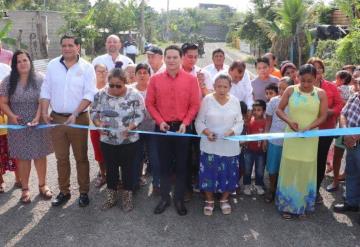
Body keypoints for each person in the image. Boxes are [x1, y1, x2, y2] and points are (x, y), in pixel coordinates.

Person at [40, 34, 97, 207]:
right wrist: (44, 111)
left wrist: (75, 113)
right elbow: (46, 89)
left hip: (78, 118)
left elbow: (89, 94)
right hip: (56, 118)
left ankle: (84, 192)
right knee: (61, 158)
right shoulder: (52, 65)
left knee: (81, 158)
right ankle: (64, 191)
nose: (67, 48)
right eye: (64, 45)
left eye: (71, 45)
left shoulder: (87, 67)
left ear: (78, 47)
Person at [146, 45, 200, 216]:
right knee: (164, 165)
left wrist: (186, 121)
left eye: (174, 57)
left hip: (183, 129)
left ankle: (178, 198)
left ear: (181, 58)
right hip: (162, 128)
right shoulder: (155, 79)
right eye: (168, 57)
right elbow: (150, 103)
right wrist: (160, 121)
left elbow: (195, 104)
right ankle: (164, 198)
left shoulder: (191, 80)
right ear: (164, 58)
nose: (171, 60)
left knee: (182, 165)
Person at [0, 50, 53, 203]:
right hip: (17, 124)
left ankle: (43, 185)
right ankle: (25, 189)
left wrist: (37, 117)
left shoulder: (40, 79)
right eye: (19, 61)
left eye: (25, 60)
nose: (22, 64)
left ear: (30, 62)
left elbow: (43, 100)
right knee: (22, 157)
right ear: (14, 64)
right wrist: (11, 115)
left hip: (39, 122)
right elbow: (2, 102)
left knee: (40, 155)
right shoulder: (8, 81)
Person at [276, 64, 327, 220]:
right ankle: (287, 206)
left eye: (309, 81)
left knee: (306, 168)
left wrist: (311, 126)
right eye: (302, 80)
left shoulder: (321, 94)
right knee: (290, 167)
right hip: (292, 136)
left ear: (316, 78)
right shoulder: (290, 90)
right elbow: (279, 109)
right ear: (297, 77)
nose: (305, 84)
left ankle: (302, 206)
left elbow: (323, 116)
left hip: (310, 138)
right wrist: (290, 121)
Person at [91, 68, 144, 211]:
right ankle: (111, 197)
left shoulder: (134, 95)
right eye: (111, 85)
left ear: (125, 83)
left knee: (128, 169)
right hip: (108, 140)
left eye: (118, 85)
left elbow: (140, 114)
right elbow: (94, 113)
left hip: (129, 140)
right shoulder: (100, 94)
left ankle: (127, 197)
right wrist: (98, 125)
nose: (114, 89)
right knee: (111, 168)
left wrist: (132, 126)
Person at [195, 74, 243, 216]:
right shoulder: (207, 100)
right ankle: (209, 200)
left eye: (225, 86)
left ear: (230, 87)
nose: (222, 89)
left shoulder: (235, 101)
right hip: (210, 145)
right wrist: (207, 132)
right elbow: (199, 121)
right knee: (208, 174)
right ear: (214, 86)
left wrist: (232, 131)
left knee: (229, 173)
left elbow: (239, 122)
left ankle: (224, 199)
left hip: (229, 146)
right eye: (219, 86)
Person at [307, 57, 343, 203]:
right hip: (306, 130)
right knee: (307, 159)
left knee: (320, 160)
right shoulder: (300, 86)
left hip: (325, 130)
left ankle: (315, 191)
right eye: (314, 67)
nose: (317, 70)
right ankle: (304, 188)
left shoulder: (331, 87)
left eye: (320, 68)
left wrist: (330, 112)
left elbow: (340, 104)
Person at [130, 63, 160, 196]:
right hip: (135, 130)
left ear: (149, 75)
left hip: (153, 129)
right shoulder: (129, 90)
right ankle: (135, 181)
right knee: (136, 157)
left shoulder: (155, 89)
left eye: (145, 72)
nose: (142, 75)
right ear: (135, 75)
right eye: (139, 73)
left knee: (155, 157)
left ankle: (157, 183)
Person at [263, 77, 292, 203]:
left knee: (286, 168)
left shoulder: (295, 103)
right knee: (272, 168)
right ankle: (272, 189)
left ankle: (283, 191)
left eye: (284, 89)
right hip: (274, 140)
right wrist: (265, 138)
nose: (281, 91)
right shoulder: (273, 102)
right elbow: (268, 120)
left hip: (290, 141)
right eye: (279, 88)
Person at [333, 91, 360, 224]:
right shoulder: (355, 96)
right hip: (350, 142)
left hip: (355, 140)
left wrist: (354, 136)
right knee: (351, 172)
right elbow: (343, 113)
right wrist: (346, 132)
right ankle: (352, 203)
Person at [326, 70, 354, 192]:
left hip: (345, 128)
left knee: (340, 155)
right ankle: (338, 179)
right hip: (342, 126)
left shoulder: (340, 89)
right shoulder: (352, 91)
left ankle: (337, 180)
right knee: (342, 154)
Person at [243, 100, 267, 196]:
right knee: (247, 168)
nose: (256, 112)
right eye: (254, 110)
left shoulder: (265, 122)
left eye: (259, 110)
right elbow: (246, 132)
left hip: (261, 151)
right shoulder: (250, 120)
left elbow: (267, 135)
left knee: (260, 169)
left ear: (264, 111)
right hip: (249, 149)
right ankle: (247, 185)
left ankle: (259, 185)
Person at [90, 64, 108, 188]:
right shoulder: (89, 89)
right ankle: (103, 175)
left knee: (112, 153)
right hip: (95, 127)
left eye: (104, 71)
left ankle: (114, 177)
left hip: (110, 127)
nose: (101, 73)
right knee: (99, 153)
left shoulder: (112, 87)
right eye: (98, 71)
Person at [0, 110, 19, 193]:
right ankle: (0, 182)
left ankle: (18, 179)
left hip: (10, 133)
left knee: (14, 156)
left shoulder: (5, 98)